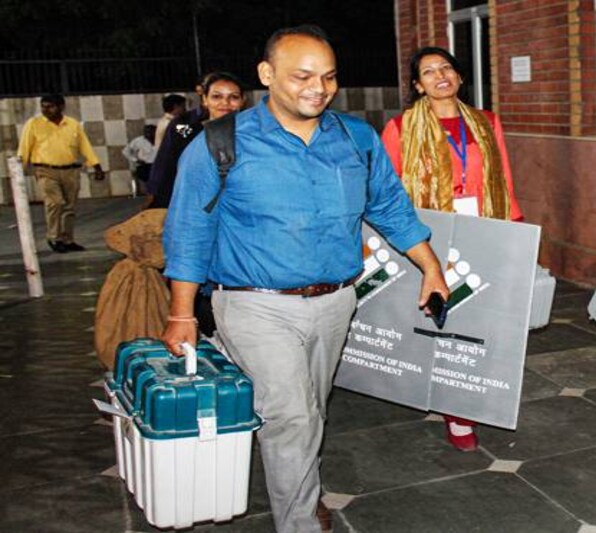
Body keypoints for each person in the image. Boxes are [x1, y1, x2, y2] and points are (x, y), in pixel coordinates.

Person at [160, 25, 449, 533]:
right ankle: (298, 522)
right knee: (291, 415)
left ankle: (301, 489)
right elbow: (188, 232)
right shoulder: (218, 145)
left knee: (312, 409)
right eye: (302, 76)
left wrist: (430, 267)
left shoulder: (355, 138)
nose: (318, 87)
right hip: (254, 305)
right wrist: (181, 313)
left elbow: (389, 206)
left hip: (336, 302)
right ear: (267, 75)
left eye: (329, 76)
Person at [381, 46, 523, 452]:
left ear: (459, 77)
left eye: (446, 68)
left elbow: (504, 179)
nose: (439, 75)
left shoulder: (486, 122)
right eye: (428, 71)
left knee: (478, 319)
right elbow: (387, 190)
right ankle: (452, 408)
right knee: (441, 317)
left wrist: (513, 235)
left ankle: (461, 397)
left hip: (483, 227)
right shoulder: (401, 127)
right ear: (417, 85)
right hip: (428, 233)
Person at [17, 93, 106, 253]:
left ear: (61, 107)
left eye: (50, 106)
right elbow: (24, 148)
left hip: (70, 170)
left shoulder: (72, 124)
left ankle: (67, 239)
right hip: (45, 170)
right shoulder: (34, 124)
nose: (45, 110)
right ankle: (54, 237)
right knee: (55, 202)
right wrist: (19, 171)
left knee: (70, 206)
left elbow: (84, 145)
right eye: (43, 106)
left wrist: (96, 165)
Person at [147, 72, 244, 209]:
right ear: (203, 96)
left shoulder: (251, 130)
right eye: (216, 96)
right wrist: (156, 192)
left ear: (242, 100)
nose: (225, 103)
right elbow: (167, 161)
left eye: (234, 97)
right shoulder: (185, 126)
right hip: (193, 201)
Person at [122, 124, 157, 196]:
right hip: (144, 165)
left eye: (151, 132)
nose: (148, 134)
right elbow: (125, 151)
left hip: (157, 165)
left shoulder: (161, 140)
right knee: (145, 178)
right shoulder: (138, 141)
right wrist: (135, 160)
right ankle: (149, 195)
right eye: (146, 132)